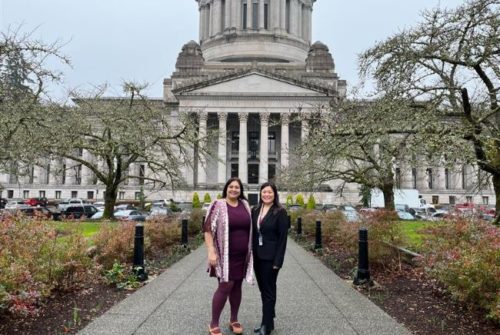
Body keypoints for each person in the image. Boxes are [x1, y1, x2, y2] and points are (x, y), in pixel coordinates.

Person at [203, 177, 254, 335]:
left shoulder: (245, 205)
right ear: (226, 188)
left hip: (242, 256)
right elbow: (208, 229)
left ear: (241, 190)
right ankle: (213, 323)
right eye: (231, 187)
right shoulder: (218, 204)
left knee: (237, 287)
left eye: (237, 187)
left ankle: (234, 319)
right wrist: (211, 251)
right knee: (225, 285)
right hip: (224, 256)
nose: (234, 190)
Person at [252, 182, 288, 335]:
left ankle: (265, 326)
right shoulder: (255, 210)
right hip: (257, 256)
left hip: (271, 258)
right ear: (260, 193)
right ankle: (269, 322)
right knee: (264, 290)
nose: (266, 195)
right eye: (264, 192)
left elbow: (282, 239)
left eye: (270, 192)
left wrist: (278, 261)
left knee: (268, 291)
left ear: (275, 194)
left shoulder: (280, 212)